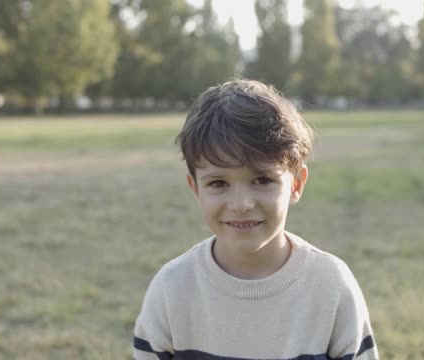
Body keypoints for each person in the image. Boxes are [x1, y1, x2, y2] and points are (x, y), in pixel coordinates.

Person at [133, 79, 379, 360]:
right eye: (218, 183)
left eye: (262, 180)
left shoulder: (332, 286)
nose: (241, 205)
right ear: (196, 189)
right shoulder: (171, 289)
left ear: (296, 184)